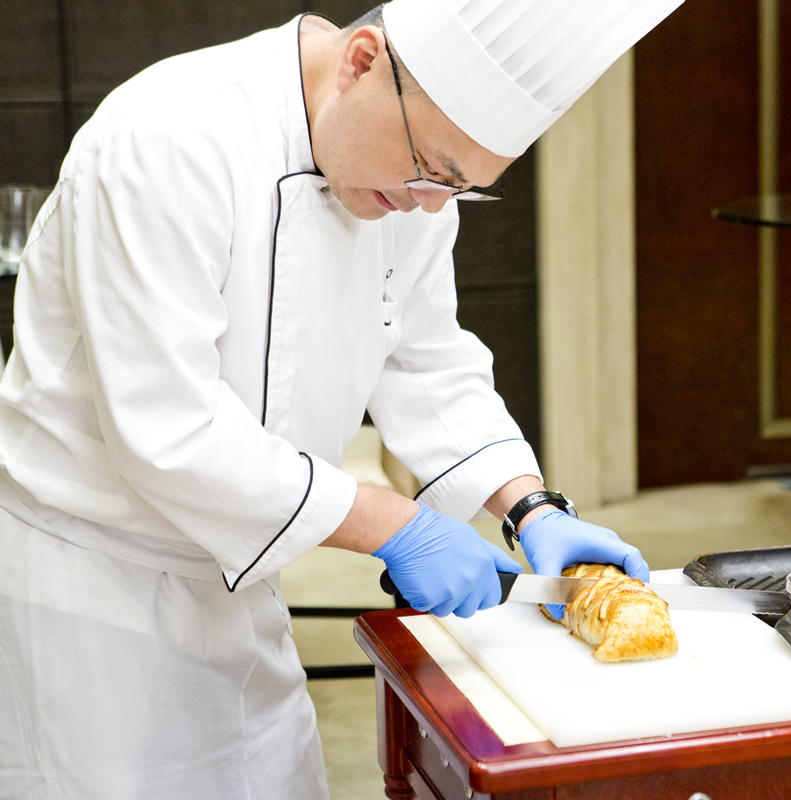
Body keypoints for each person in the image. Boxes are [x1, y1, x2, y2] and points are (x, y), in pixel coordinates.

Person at [0, 1, 684, 798]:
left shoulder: (411, 189)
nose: (433, 203)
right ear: (362, 61)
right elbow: (170, 432)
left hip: (241, 588)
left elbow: (429, 364)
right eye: (431, 170)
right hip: (91, 596)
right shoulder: (166, 141)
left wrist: (533, 508)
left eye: (463, 189)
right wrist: (398, 525)